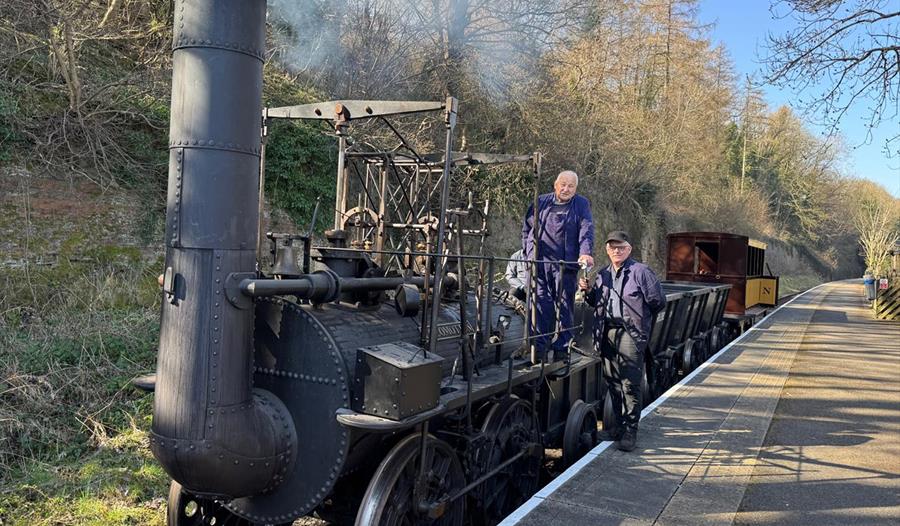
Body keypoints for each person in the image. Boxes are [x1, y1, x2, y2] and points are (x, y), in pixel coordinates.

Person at [579, 231, 665, 451]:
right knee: (613, 382)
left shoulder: (641, 272)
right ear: (607, 250)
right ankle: (618, 427)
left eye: (621, 247)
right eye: (612, 247)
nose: (616, 251)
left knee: (629, 383)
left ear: (629, 249)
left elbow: (658, 301)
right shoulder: (602, 274)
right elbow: (595, 302)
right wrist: (587, 291)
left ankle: (630, 431)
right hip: (606, 332)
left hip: (630, 333)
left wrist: (640, 322)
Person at [522, 170, 594, 363]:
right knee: (539, 304)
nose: (566, 189)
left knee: (564, 306)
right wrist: (528, 255)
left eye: (571, 186)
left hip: (565, 265)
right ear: (555, 185)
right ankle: (538, 348)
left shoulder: (581, 204)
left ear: (576, 188)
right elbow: (527, 230)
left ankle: (562, 348)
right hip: (539, 264)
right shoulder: (540, 202)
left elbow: (586, 230)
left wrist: (585, 252)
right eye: (563, 184)